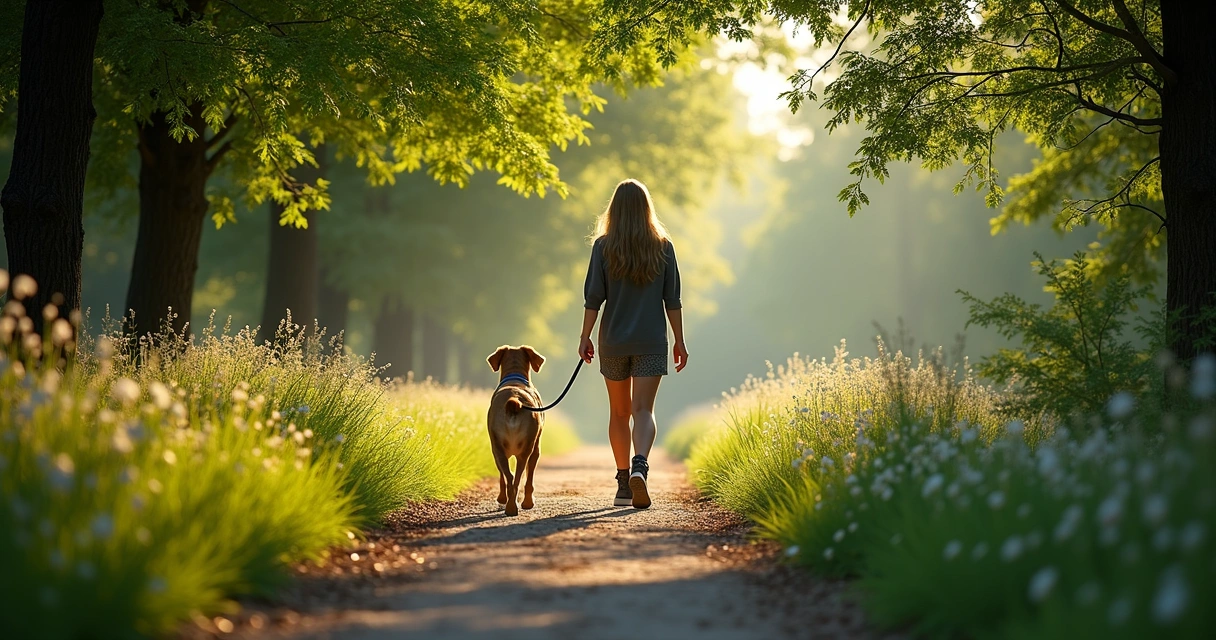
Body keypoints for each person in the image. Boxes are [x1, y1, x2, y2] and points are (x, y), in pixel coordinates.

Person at [579, 178, 688, 509]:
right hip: (651, 341)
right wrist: (679, 341)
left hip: (613, 340)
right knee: (643, 410)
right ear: (646, 209)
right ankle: (641, 464)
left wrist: (585, 336)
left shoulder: (603, 247)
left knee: (619, 412)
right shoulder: (663, 246)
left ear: (614, 209)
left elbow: (593, 298)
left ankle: (624, 483)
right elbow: (673, 300)